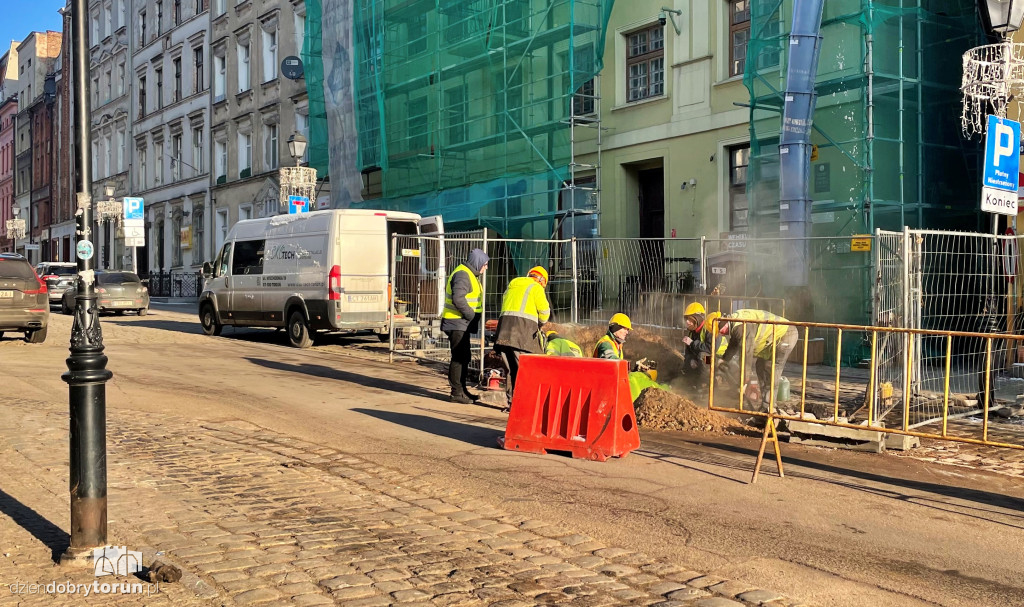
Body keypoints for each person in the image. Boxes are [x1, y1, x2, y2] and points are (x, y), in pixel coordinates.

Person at [716, 309, 798, 408]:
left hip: (786, 333)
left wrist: (744, 379)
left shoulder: (741, 327)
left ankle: (769, 407)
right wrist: (725, 359)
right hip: (772, 338)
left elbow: (747, 352)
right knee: (760, 365)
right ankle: (765, 405)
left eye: (720, 330)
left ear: (722, 322)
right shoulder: (735, 323)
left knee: (772, 368)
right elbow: (734, 344)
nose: (721, 333)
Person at [494, 266, 552, 402]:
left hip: (504, 331)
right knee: (525, 369)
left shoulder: (513, 283)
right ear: (542, 280)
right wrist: (540, 323)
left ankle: (512, 402)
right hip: (522, 333)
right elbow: (544, 313)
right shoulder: (536, 287)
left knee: (510, 369)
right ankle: (524, 403)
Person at [441, 248, 489, 404]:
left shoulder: (469, 274)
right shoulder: (463, 274)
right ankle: (456, 393)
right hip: (457, 322)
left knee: (464, 357)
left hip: (460, 323)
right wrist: (471, 315)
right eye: (485, 264)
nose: (486, 267)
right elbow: (458, 299)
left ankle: (462, 390)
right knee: (459, 358)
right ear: (478, 263)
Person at [680, 303, 728, 390]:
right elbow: (688, 353)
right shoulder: (692, 332)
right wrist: (690, 361)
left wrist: (692, 343)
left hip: (719, 359)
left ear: (697, 319)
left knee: (703, 356)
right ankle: (693, 383)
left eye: (690, 319)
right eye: (686, 319)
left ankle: (706, 384)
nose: (687, 322)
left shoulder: (710, 328)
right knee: (689, 362)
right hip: (707, 359)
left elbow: (710, 349)